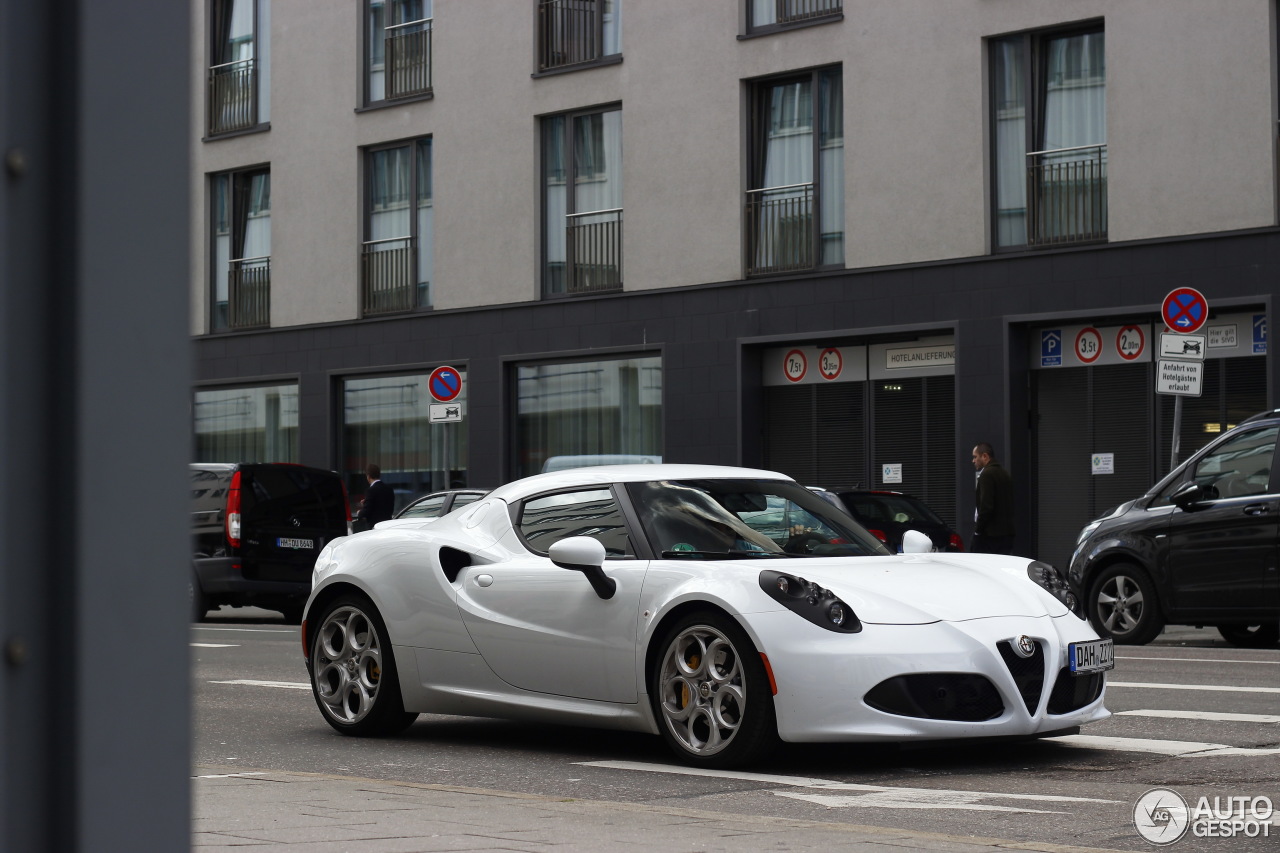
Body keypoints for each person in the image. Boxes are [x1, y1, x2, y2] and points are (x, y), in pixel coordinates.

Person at [971, 442, 1015, 554]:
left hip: (990, 535)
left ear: (985, 456)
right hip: (1007, 533)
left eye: (975, 457)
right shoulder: (1004, 473)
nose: (973, 461)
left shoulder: (987, 474)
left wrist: (978, 530)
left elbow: (986, 506)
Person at [355, 463, 394, 529]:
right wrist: (366, 503)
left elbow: (367, 511)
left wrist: (359, 513)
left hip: (375, 527)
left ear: (368, 476)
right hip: (387, 526)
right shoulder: (389, 489)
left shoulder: (370, 490)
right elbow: (386, 506)